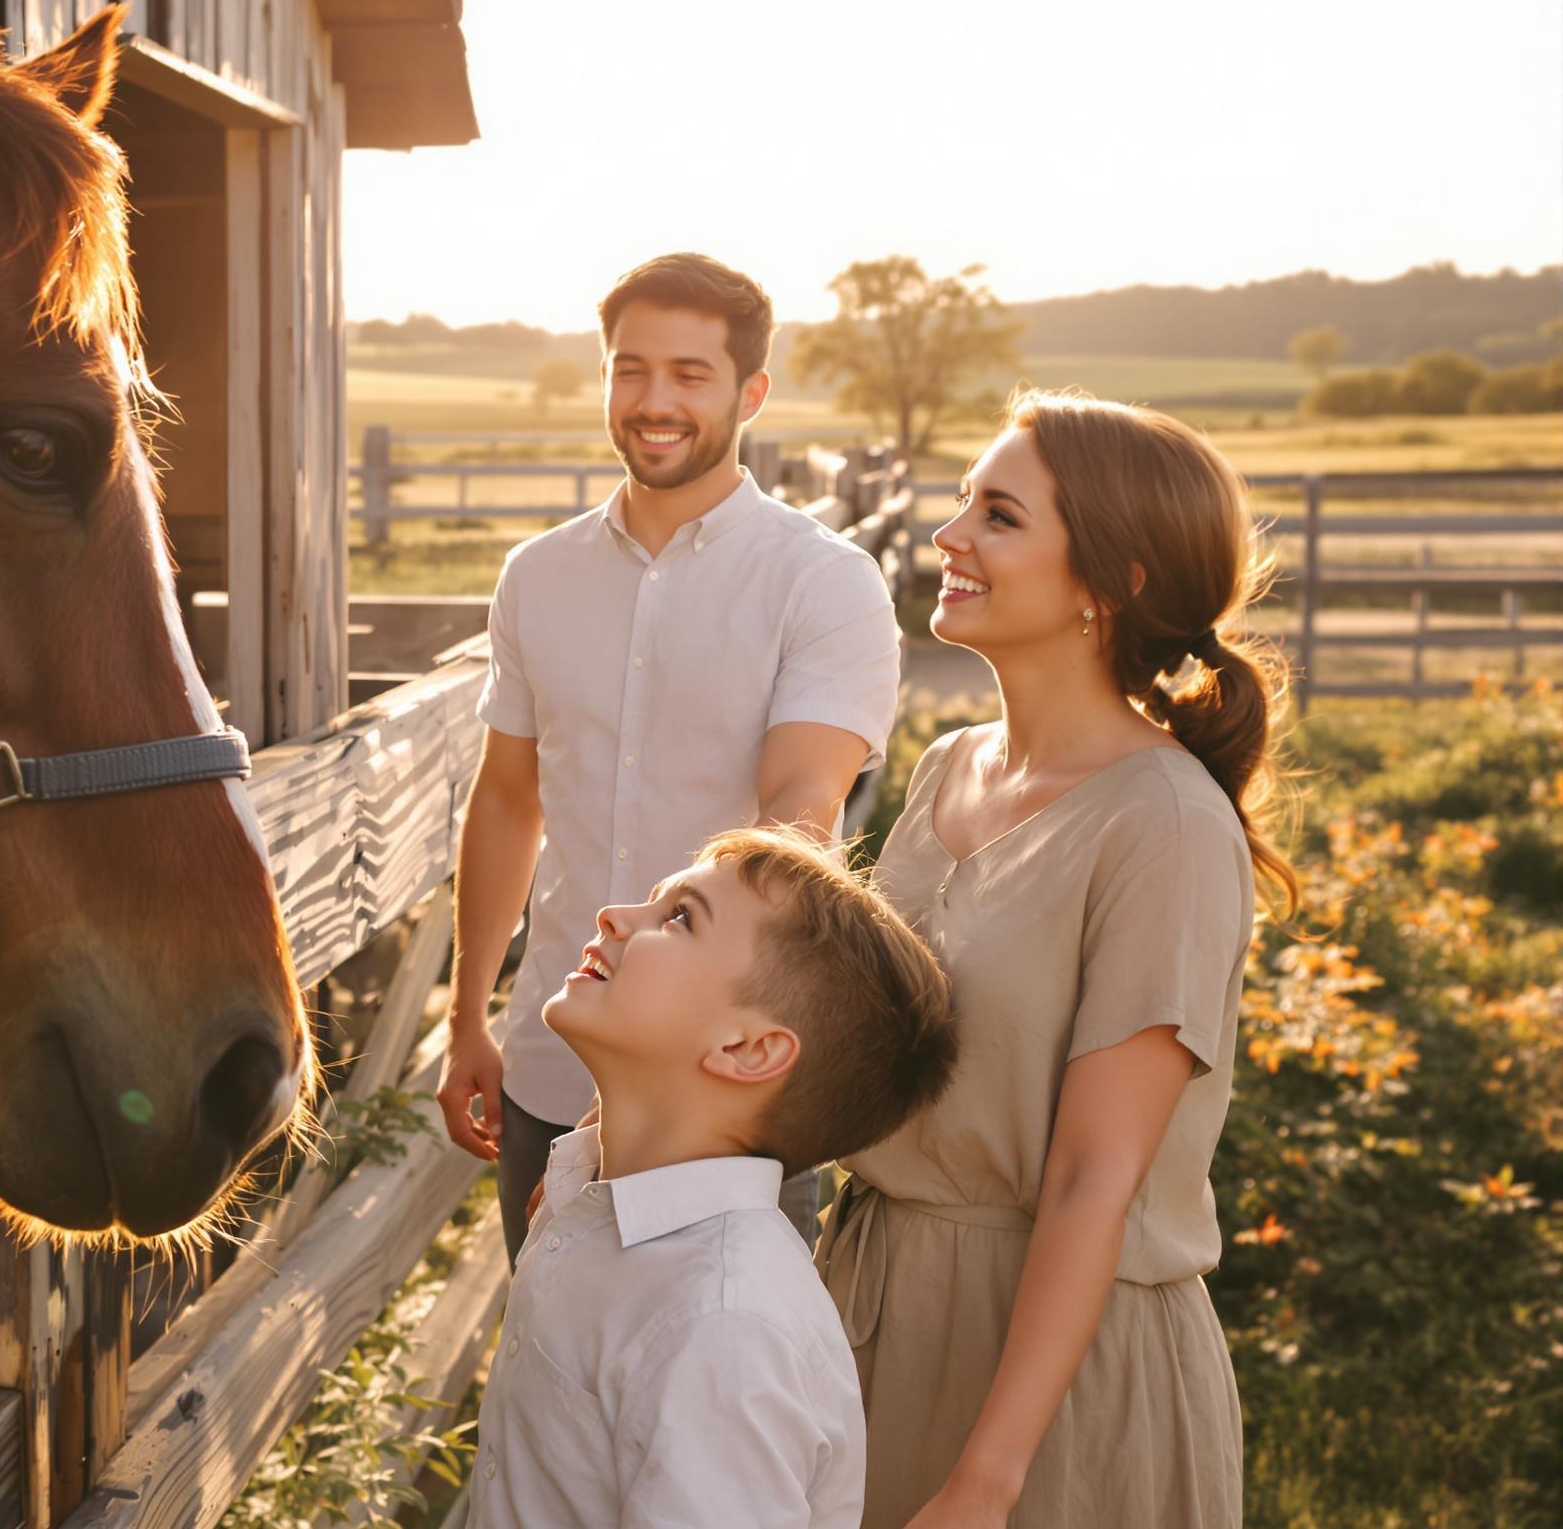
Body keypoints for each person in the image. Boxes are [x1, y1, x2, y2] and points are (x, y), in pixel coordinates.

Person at [815, 388, 1297, 1529]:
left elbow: (1094, 1180)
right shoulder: (947, 769)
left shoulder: (1163, 825)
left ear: (1109, 582)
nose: (949, 537)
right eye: (960, 505)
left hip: (1047, 1381)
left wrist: (989, 1476)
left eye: (999, 514)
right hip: (871, 1313)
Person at [438, 252, 903, 1261]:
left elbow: (797, 810)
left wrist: (658, 1060)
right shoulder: (536, 576)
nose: (653, 401)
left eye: (689, 374)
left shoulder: (824, 585)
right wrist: (468, 1012)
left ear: (751, 393)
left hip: (721, 1100)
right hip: (549, 1074)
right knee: (548, 1381)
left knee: (717, 1391)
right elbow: (510, 800)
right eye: (629, 368)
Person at [466, 827, 959, 1528]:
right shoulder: (588, 1195)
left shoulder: (723, 1333)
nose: (615, 915)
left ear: (748, 1048)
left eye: (678, 918)